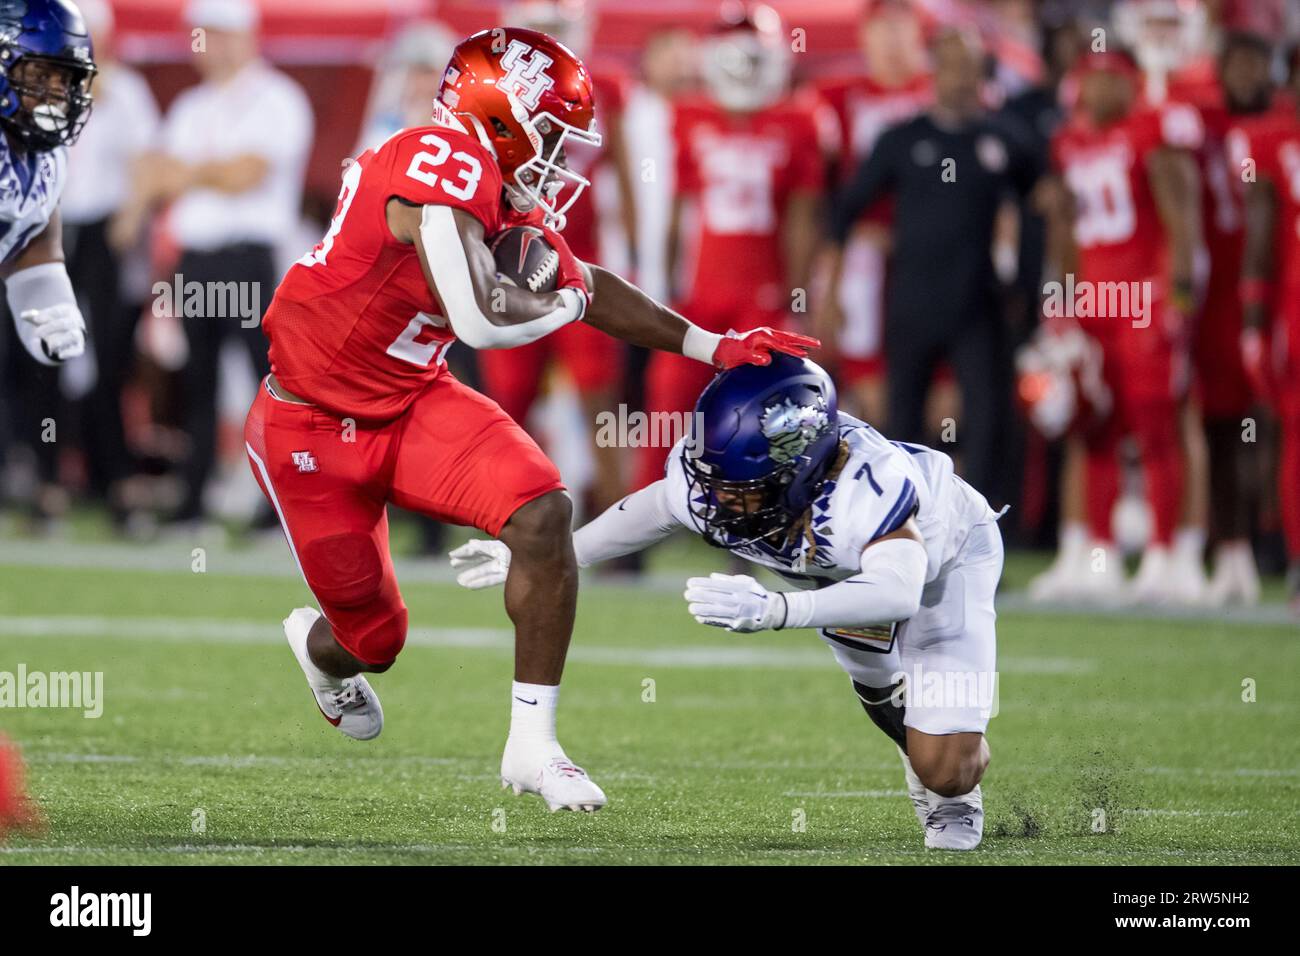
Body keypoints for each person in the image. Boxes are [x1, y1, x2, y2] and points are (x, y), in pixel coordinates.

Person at [246, 27, 817, 813]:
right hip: (308, 423)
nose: (557, 153)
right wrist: (566, 301)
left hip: (412, 399)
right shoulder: (438, 158)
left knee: (543, 514)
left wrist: (713, 347)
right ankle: (320, 654)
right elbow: (481, 318)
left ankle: (533, 745)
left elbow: (594, 283)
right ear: (500, 117)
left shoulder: (488, 182)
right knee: (372, 642)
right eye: (548, 129)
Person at [451, 355, 1003, 850]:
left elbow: (899, 589)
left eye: (741, 487)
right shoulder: (725, 476)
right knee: (883, 688)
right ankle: (916, 740)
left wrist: (775, 611)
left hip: (945, 565)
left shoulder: (870, 487)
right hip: (836, 569)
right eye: (713, 478)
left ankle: (953, 784)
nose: (716, 498)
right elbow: (655, 509)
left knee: (946, 769)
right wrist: (545, 555)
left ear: (801, 469)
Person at [117, 0, 313, 528]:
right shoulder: (191, 104)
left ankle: (281, 506)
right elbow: (158, 174)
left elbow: (245, 175)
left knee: (264, 385)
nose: (207, 45)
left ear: (245, 36)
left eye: (217, 35)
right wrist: (203, 172)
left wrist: (187, 173)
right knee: (196, 381)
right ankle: (192, 500)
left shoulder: (277, 99)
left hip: (248, 258)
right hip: (197, 258)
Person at [826, 26, 1042, 503]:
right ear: (933, 71)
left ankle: (983, 528)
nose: (961, 77)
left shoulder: (1005, 139)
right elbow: (843, 213)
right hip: (912, 300)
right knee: (903, 420)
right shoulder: (902, 139)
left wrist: (1031, 284)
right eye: (950, 65)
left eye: (969, 66)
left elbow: (1045, 203)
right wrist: (830, 293)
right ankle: (901, 522)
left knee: (987, 418)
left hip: (980, 302)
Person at [634, 1, 825, 493]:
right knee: (667, 405)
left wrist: (796, 297)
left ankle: (757, 529)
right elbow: (679, 209)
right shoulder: (689, 114)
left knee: (768, 416)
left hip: (761, 295)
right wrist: (666, 286)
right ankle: (641, 524)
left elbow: (803, 220)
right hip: (699, 292)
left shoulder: (800, 120)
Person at [1045, 48, 1204, 603]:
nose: (1098, 91)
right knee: (1096, 430)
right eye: (1090, 79)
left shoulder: (1152, 132)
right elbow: (1066, 234)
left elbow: (1182, 223)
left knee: (1157, 427)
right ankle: (1102, 555)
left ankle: (1166, 555)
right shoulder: (1069, 142)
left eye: (1110, 78)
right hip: (1094, 301)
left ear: (1131, 82)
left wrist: (1179, 298)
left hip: (1143, 299)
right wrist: (1060, 302)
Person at [61, 0, 160, 527]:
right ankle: (57, 474)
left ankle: (116, 477)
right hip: (57, 231)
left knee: (109, 355)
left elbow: (144, 161)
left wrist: (131, 218)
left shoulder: (125, 92)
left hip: (105, 230)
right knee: (51, 356)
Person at [0, 0, 96, 530]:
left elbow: (33, 232)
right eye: (40, 73)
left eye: (65, 78)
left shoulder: (45, 153)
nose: (56, 92)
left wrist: (42, 288)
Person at [815, 0, 932, 425]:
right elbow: (816, 196)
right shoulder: (835, 98)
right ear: (864, 35)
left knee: (942, 399)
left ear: (919, 33)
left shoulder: (944, 90)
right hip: (863, 257)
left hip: (936, 256)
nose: (892, 39)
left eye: (901, 26)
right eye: (882, 27)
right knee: (871, 380)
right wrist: (827, 278)